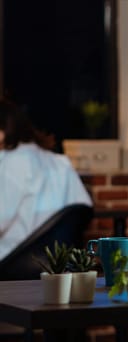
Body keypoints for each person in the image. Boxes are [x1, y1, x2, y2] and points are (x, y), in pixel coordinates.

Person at [0, 98, 93, 262]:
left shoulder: (10, 163)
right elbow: (82, 209)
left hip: (13, 259)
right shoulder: (59, 162)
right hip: (56, 261)